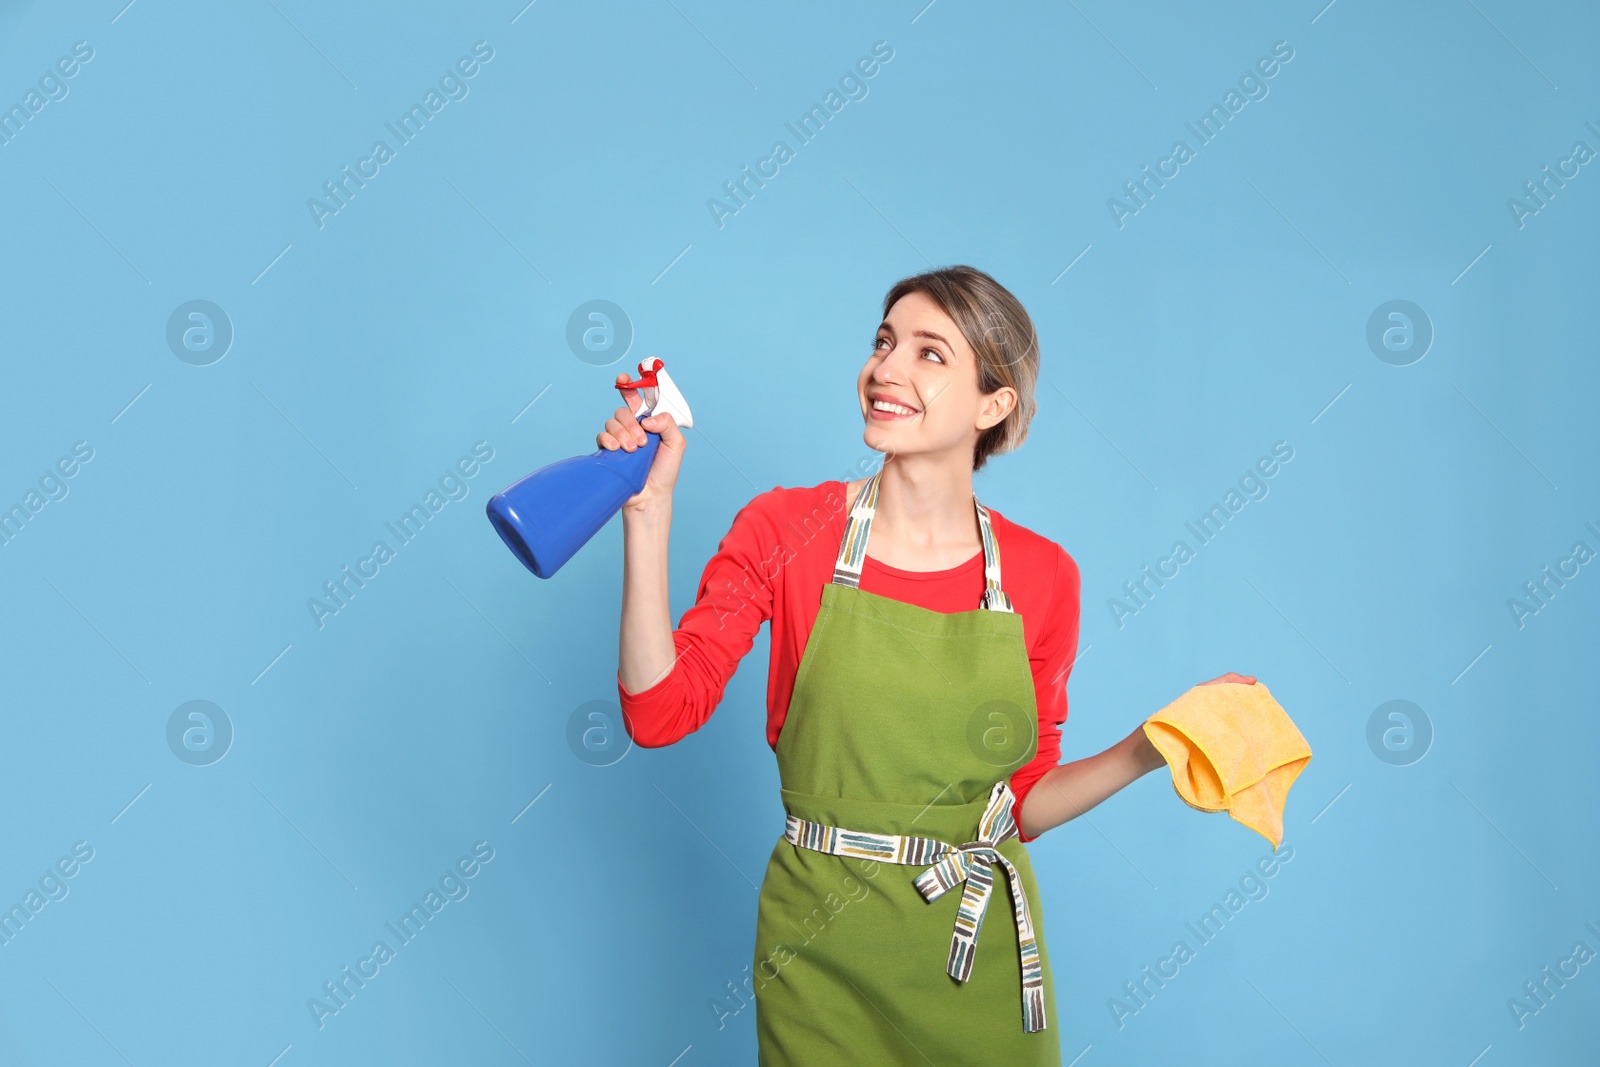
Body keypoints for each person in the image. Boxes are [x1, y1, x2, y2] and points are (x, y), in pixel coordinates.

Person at [602, 265, 1254, 1064]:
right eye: (884, 342)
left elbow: (1019, 802)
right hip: (821, 952)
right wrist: (648, 513)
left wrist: (1148, 747)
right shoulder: (786, 528)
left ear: (994, 403)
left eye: (929, 353)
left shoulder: (1043, 576)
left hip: (975, 955)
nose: (887, 370)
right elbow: (659, 712)